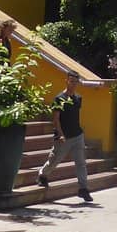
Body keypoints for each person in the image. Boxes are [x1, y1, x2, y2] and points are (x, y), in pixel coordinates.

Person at [38, 71, 92, 202]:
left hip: (78, 135)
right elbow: (55, 119)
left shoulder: (78, 98)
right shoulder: (59, 99)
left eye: (75, 81)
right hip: (64, 137)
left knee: (81, 163)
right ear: (66, 81)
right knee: (55, 160)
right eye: (71, 81)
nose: (73, 84)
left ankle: (83, 189)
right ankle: (42, 175)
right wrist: (60, 135)